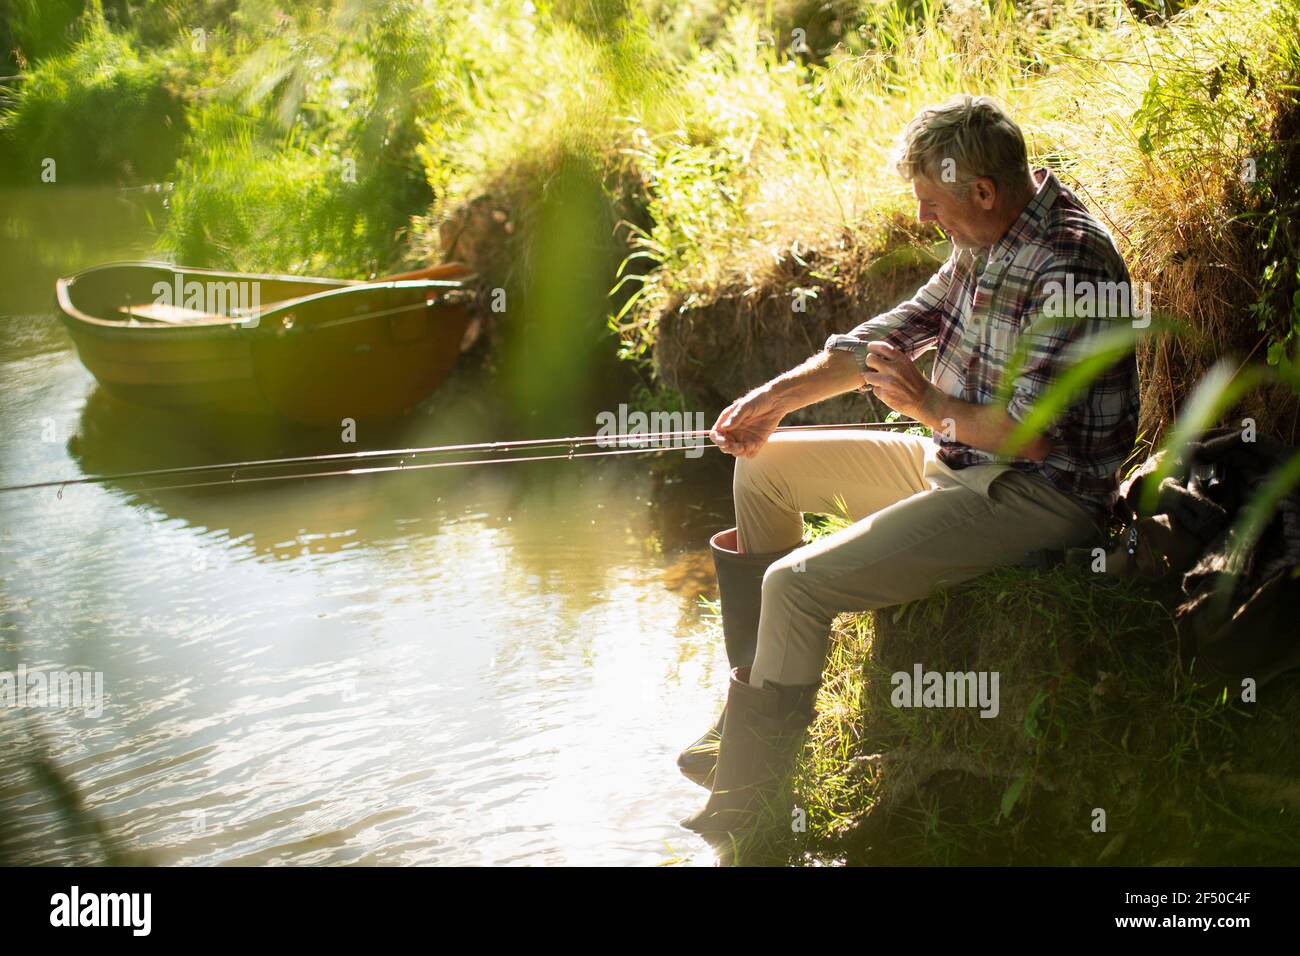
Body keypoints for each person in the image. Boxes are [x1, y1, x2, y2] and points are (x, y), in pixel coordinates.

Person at [679, 94, 1142, 837]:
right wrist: (776, 398)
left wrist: (926, 402)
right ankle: (750, 711)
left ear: (981, 190)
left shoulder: (1069, 263)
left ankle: (749, 811)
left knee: (793, 588)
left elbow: (1032, 436)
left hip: (1039, 493)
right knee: (760, 467)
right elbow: (894, 332)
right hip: (964, 457)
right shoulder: (988, 233)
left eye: (931, 201)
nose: (925, 219)